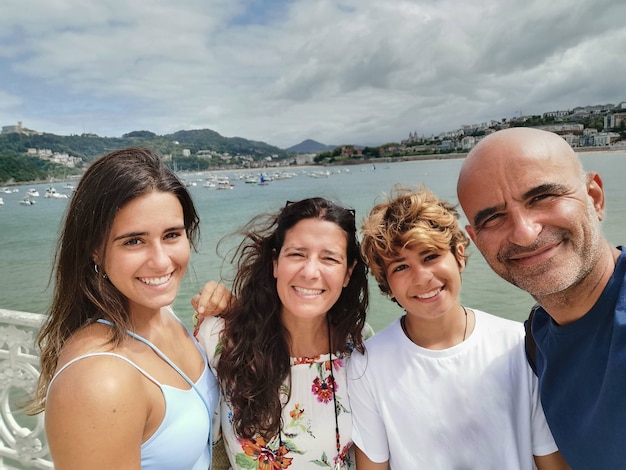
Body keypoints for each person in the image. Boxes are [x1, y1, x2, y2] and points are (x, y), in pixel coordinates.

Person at [347, 186, 567, 469]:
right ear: (387, 285)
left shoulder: (520, 343)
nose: (422, 278)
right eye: (401, 267)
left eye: (430, 256)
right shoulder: (368, 365)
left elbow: (549, 457)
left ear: (459, 255)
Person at [30, 147, 219, 469]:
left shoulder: (163, 316)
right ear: (95, 251)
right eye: (134, 241)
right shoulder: (99, 380)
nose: (161, 261)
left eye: (172, 235)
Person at [456, 127, 625, 468]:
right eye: (493, 218)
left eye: (543, 197)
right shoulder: (537, 339)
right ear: (476, 240)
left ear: (594, 197)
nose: (524, 232)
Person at [195, 197, 371, 469]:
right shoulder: (220, 339)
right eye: (297, 254)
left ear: (348, 273)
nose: (311, 272)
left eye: (329, 258)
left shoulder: (359, 345)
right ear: (276, 262)